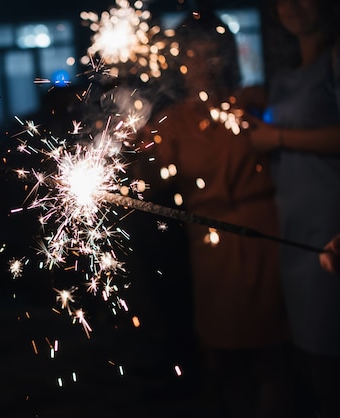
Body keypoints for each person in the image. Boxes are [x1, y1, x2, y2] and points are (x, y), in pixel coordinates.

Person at [140, 12, 293, 417]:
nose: (204, 64)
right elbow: (150, 183)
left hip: (263, 235)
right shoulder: (168, 125)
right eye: (194, 53)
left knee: (272, 351)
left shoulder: (252, 103)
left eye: (212, 54)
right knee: (223, 356)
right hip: (209, 246)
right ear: (179, 59)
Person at [240, 1, 340, 415]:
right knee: (313, 360)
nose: (293, 6)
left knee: (331, 357)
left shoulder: (335, 61)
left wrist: (278, 137)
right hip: (294, 226)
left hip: (331, 224)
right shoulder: (284, 75)